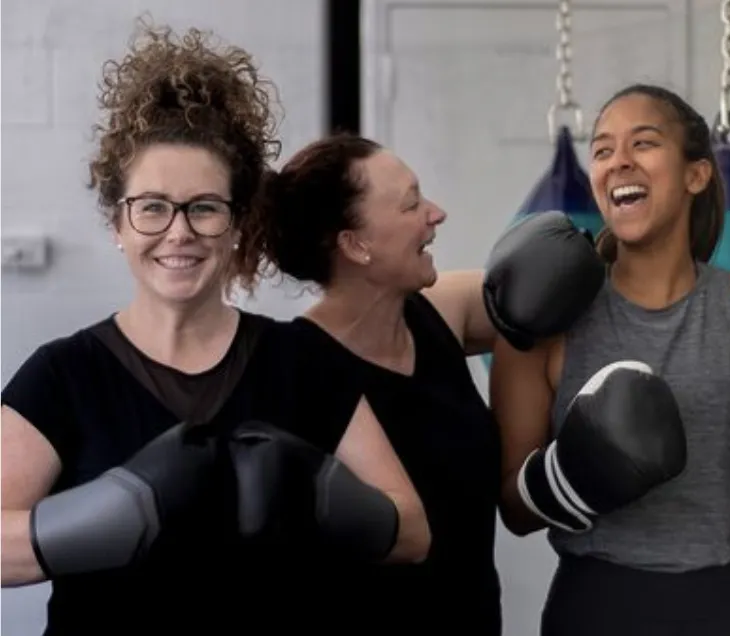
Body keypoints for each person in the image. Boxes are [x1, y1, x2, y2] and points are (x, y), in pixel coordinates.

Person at [0, 21, 429, 635]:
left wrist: (320, 492)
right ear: (117, 225)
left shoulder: (303, 362)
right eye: (152, 207)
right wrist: (117, 512)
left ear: (236, 226)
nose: (179, 232)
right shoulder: (64, 375)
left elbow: (412, 532)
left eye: (204, 208)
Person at [489, 83, 730, 636]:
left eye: (644, 143)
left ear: (696, 175)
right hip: (595, 606)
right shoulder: (549, 324)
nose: (618, 161)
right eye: (602, 150)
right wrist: (571, 475)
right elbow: (513, 510)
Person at [248, 132, 604, 634]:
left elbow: (557, 286)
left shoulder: (442, 312)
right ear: (356, 244)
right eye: (412, 204)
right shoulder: (295, 367)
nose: (436, 213)